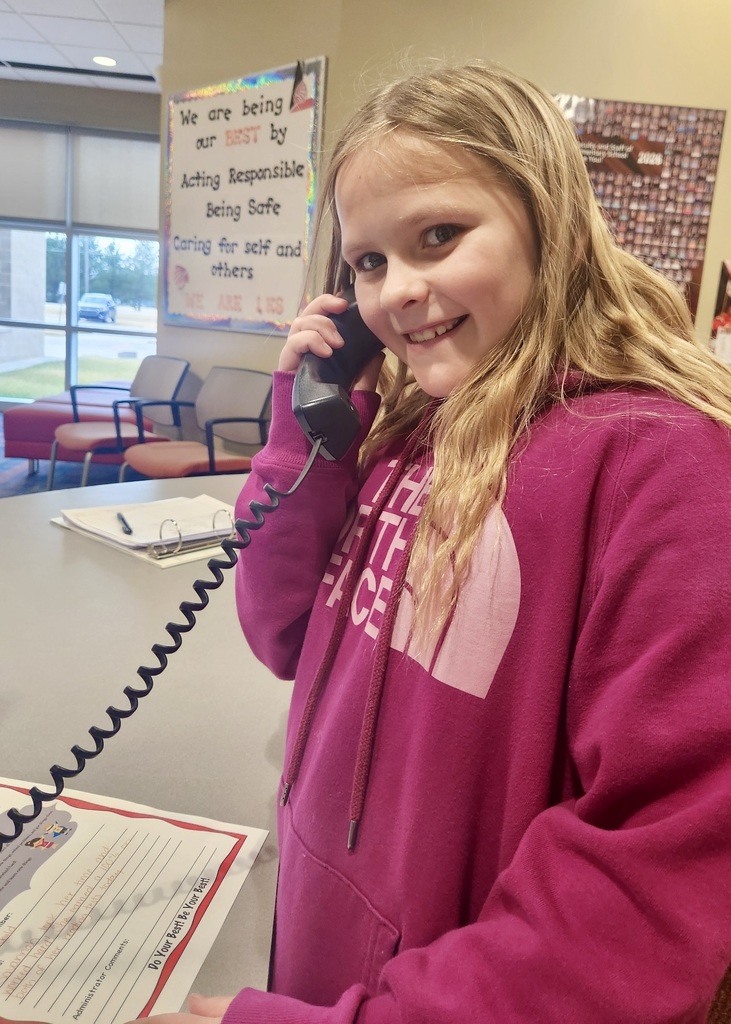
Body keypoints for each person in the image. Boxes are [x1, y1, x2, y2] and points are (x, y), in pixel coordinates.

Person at [6, 59, 730, 1024]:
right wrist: (303, 430)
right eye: (368, 262)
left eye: (439, 235)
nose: (398, 292)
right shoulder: (399, 434)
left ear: (547, 224)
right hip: (322, 934)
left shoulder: (658, 464)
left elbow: (649, 874)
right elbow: (283, 635)